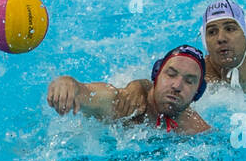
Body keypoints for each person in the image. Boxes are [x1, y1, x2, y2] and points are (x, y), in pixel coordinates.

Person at [46, 44, 212, 135]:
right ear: (156, 74)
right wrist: (70, 85)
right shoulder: (129, 104)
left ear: (198, 92)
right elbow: (95, 95)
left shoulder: (196, 130)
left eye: (189, 81)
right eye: (170, 75)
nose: (177, 86)